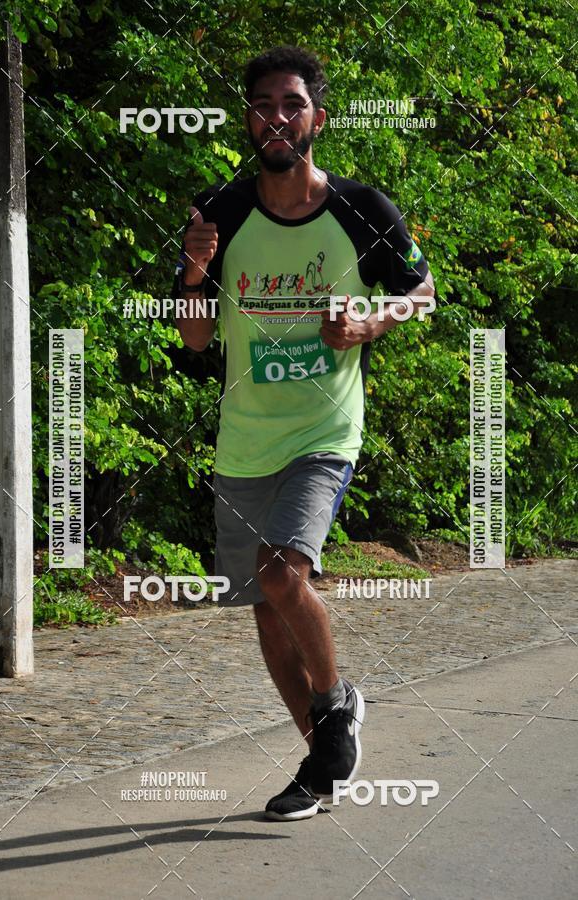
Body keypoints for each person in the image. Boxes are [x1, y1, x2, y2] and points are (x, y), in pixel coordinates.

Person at [173, 45, 435, 821]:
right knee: (264, 606)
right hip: (244, 439)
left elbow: (422, 291)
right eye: (262, 104)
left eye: (292, 104)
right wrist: (191, 277)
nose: (276, 117)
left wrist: (371, 320)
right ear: (247, 119)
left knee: (286, 575)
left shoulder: (360, 208)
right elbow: (192, 340)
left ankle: (337, 700)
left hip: (326, 429)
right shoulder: (217, 212)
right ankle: (321, 762)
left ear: (317, 117)